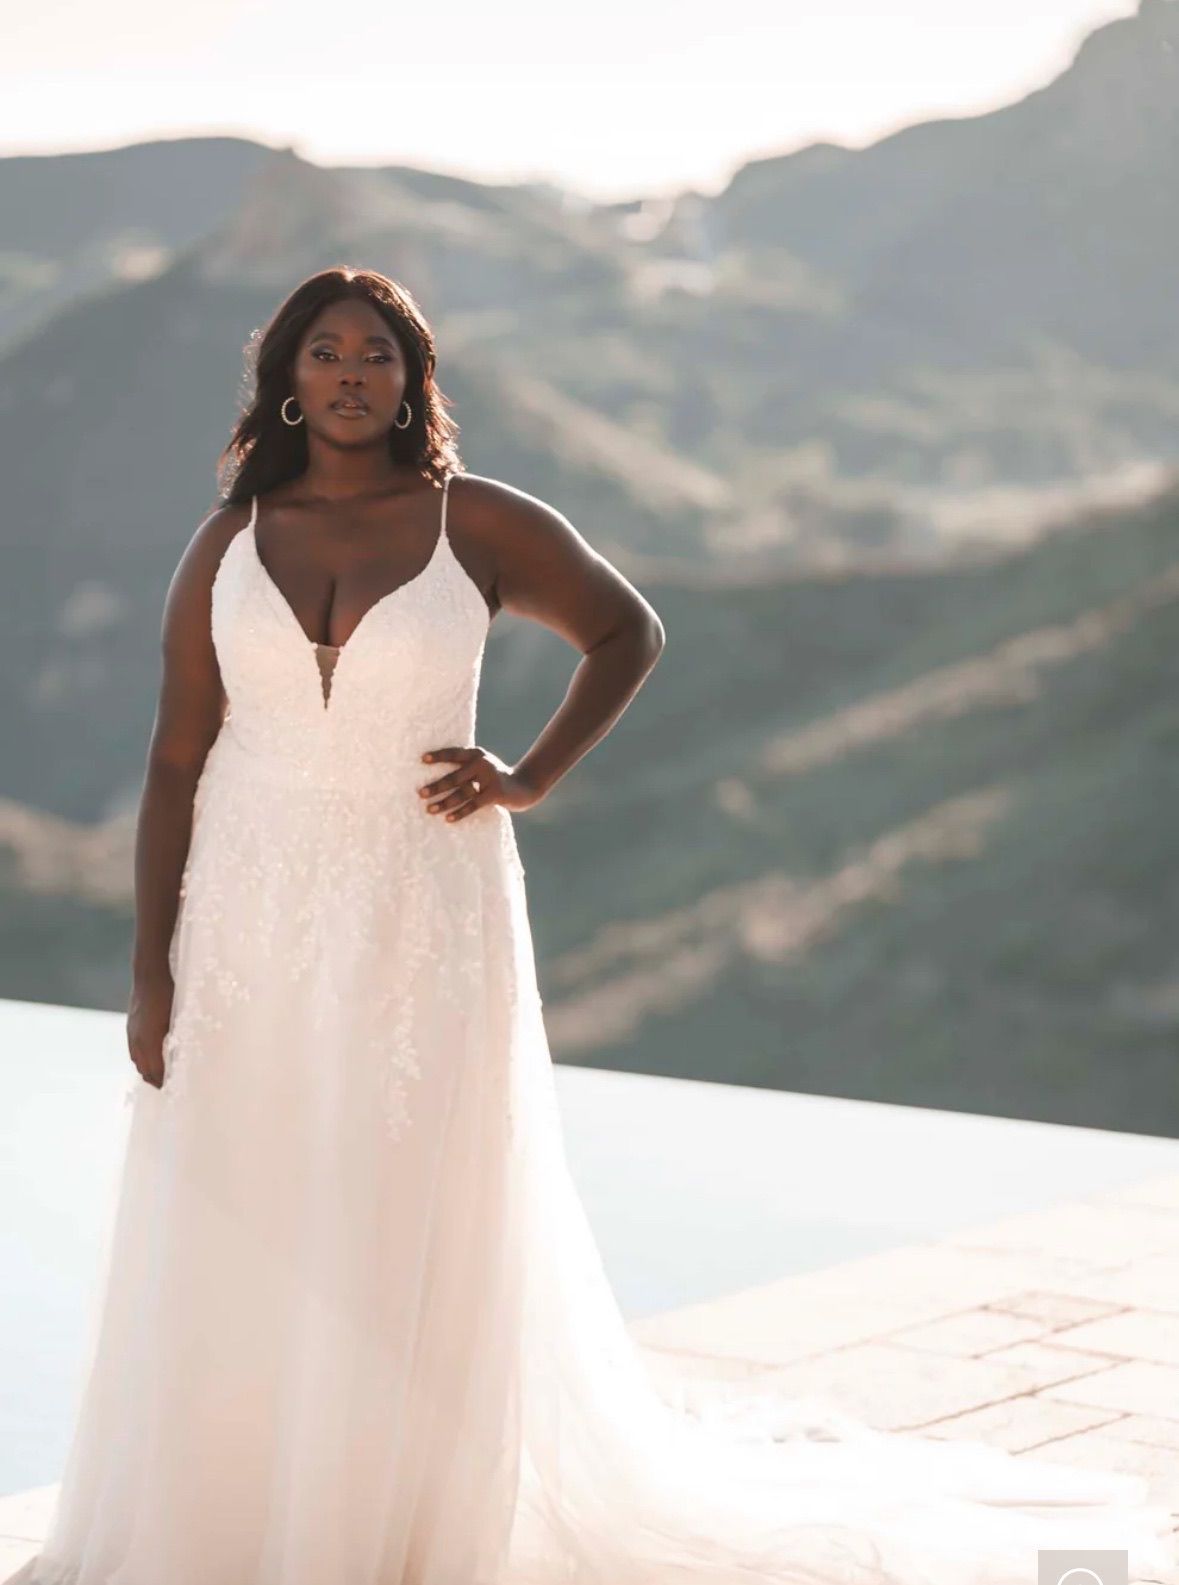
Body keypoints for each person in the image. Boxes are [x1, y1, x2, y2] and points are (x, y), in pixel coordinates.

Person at [21, 267, 1176, 1585]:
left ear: (414, 382)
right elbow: (176, 759)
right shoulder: (228, 541)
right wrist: (150, 971)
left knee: (401, 1202)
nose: (351, 375)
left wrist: (531, 775)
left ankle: (385, 1524)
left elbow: (627, 629)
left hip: (420, 904)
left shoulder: (479, 521)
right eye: (328, 352)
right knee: (245, 1203)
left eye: (378, 355)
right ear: (287, 376)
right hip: (243, 912)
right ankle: (231, 1515)